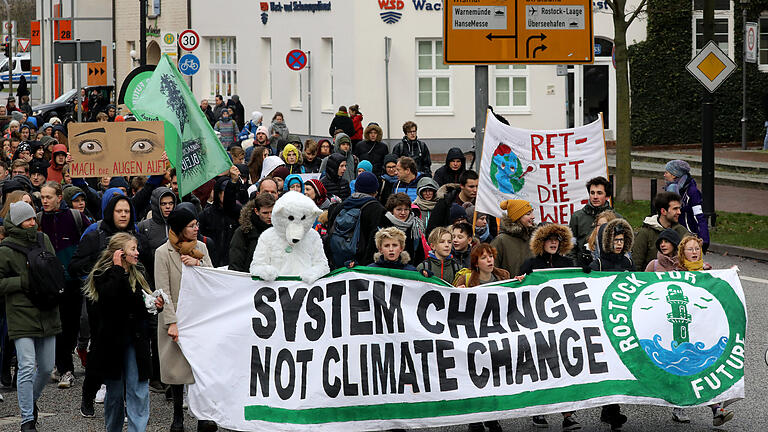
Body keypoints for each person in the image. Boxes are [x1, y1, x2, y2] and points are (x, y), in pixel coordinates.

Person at [84, 233, 161, 432]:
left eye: (136, 248)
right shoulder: (103, 274)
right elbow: (109, 299)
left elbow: (141, 304)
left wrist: (155, 305)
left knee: (139, 390)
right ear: (119, 253)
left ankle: (138, 429)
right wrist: (118, 269)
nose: (137, 253)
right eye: (132, 249)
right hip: (113, 342)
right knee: (115, 393)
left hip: (136, 340)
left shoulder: (139, 272)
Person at [154, 208, 217, 432]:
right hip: (177, 316)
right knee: (178, 370)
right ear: (180, 228)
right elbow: (163, 290)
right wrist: (171, 321)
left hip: (199, 317)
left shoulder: (201, 248)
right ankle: (178, 416)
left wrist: (198, 265)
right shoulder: (163, 253)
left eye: (197, 224)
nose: (196, 228)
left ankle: (203, 417)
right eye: (191, 225)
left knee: (200, 370)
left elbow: (213, 277)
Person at [1, 202, 60, 431]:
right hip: (20, 313)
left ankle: (29, 401)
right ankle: (27, 420)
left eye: (34, 219)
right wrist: (22, 282)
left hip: (47, 310)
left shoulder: (42, 239)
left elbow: (54, 267)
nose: (33, 223)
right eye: (28, 220)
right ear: (17, 222)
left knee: (46, 367)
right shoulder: (5, 249)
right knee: (26, 366)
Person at [37, 182, 90, 390]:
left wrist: (80, 266)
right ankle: (64, 368)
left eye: (49, 197)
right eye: (42, 197)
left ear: (60, 197)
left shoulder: (75, 217)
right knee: (55, 325)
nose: (45, 201)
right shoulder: (40, 219)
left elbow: (90, 239)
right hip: (50, 282)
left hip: (72, 281)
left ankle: (63, 364)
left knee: (71, 326)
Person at [325, 172, 386, 267]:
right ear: (375, 191)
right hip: (362, 265)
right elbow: (376, 239)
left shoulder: (341, 206)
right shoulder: (377, 210)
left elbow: (330, 231)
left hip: (337, 262)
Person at [632, 192, 690, 271]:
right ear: (663, 211)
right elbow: (636, 264)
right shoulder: (645, 233)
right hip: (652, 279)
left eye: (679, 208)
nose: (679, 212)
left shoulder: (681, 231)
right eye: (675, 209)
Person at [198, 169, 243, 267]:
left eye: (229, 191)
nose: (227, 194)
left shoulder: (239, 213)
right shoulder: (206, 215)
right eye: (224, 192)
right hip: (211, 263)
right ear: (218, 193)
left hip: (232, 264)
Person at [568, 177, 619, 260]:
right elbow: (571, 247)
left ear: (607, 196)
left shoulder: (616, 218)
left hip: (609, 267)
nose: (595, 197)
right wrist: (575, 266)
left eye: (599, 193)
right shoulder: (577, 217)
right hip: (583, 268)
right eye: (592, 193)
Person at [663, 160, 709, 252]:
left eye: (666, 172)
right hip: (672, 232)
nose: (664, 175)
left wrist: (704, 239)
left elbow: (699, 216)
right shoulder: (670, 189)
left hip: (687, 234)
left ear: (674, 175)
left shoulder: (692, 192)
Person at [229, 192, 275, 273]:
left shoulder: (280, 231)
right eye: (265, 213)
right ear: (256, 211)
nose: (269, 216)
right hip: (249, 280)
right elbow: (236, 264)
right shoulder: (243, 232)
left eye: (272, 212)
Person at [426, 171, 480, 235]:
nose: (475, 190)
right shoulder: (446, 202)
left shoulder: (481, 203)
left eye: (477, 186)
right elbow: (432, 230)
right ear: (462, 186)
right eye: (471, 187)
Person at [490, 199, 535, 277]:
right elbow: (491, 270)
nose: (533, 217)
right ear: (517, 217)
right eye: (528, 214)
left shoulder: (535, 238)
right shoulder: (501, 241)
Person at [382, 193, 426, 267]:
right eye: (399, 209)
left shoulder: (415, 228)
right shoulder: (382, 228)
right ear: (391, 210)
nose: (403, 213)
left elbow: (419, 256)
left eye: (406, 209)